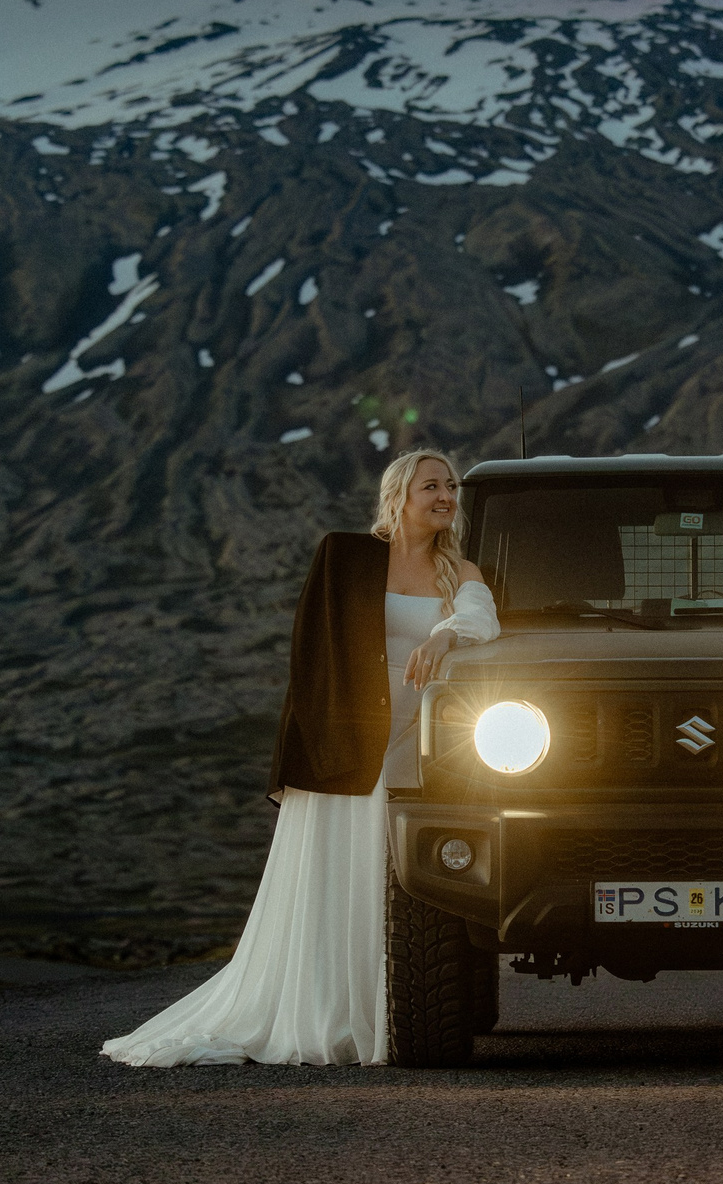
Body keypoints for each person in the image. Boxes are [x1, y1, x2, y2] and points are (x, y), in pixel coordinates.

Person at [101, 449, 497, 1067]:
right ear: (400, 496)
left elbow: (482, 621)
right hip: (349, 739)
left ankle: (390, 1010)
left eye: (450, 485)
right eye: (431, 486)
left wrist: (444, 634)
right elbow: (312, 654)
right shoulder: (348, 558)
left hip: (414, 740)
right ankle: (330, 1010)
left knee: (393, 886)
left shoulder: (459, 570)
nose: (446, 495)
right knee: (342, 874)